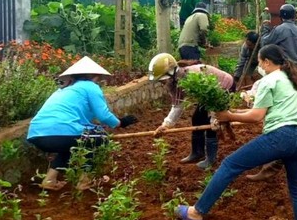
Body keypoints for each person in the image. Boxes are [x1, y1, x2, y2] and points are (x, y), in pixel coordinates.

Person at [174, 44, 297, 220]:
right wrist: (232, 113)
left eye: (259, 61)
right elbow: (261, 111)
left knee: (230, 164)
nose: (259, 65)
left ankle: (197, 212)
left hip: (281, 136)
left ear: (266, 62)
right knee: (296, 186)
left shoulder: (268, 80)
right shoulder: (289, 79)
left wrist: (229, 116)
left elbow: (256, 117)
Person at [27, 56, 137, 191]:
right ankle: (85, 181)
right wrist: (120, 123)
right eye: (98, 77)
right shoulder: (90, 86)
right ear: (93, 76)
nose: (99, 80)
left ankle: (49, 180)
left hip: (36, 135)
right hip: (62, 132)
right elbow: (103, 115)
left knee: (70, 146)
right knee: (98, 138)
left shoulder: (63, 89)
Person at [149, 54, 234, 169]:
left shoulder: (194, 76)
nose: (162, 83)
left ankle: (211, 159)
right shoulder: (173, 82)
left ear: (172, 73)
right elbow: (178, 105)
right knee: (197, 119)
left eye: (162, 80)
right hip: (206, 95)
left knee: (211, 125)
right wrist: (166, 125)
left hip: (223, 88)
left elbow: (212, 100)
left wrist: (214, 117)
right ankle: (197, 152)